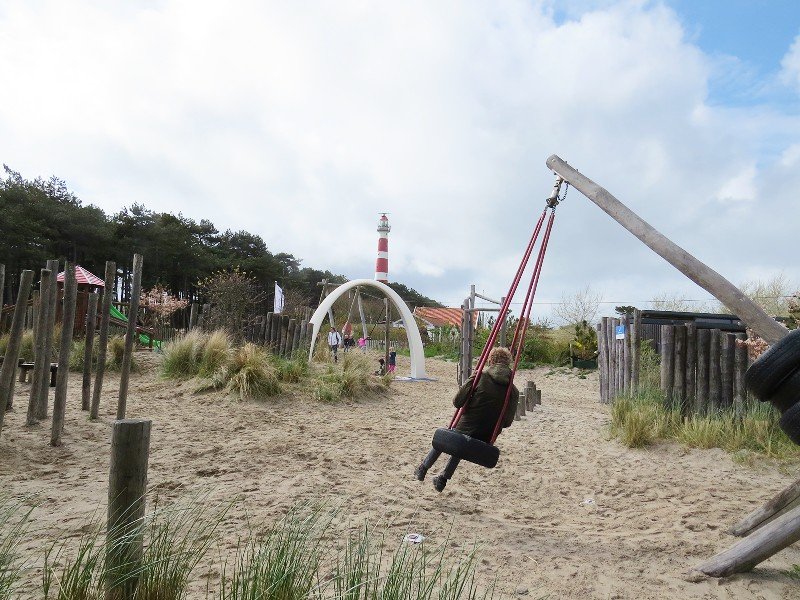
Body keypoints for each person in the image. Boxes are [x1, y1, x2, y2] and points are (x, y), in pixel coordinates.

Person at [414, 346, 519, 492]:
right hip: (486, 437)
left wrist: (471, 381)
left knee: (453, 435)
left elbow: (457, 402)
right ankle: (442, 479)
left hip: (464, 430)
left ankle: (423, 468)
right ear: (508, 363)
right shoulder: (513, 391)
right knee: (462, 441)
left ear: (491, 361)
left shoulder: (479, 377)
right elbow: (507, 422)